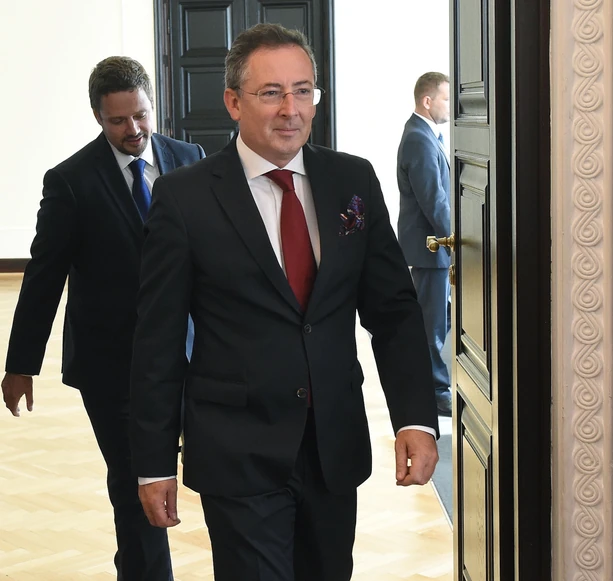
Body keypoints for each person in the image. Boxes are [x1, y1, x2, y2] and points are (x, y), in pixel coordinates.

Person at [129, 23, 440, 581]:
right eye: (271, 93)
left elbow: (393, 310)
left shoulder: (352, 180)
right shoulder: (184, 197)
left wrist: (415, 417)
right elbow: (159, 339)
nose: (290, 109)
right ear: (233, 102)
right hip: (237, 450)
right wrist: (154, 463)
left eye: (302, 91)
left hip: (333, 445)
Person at [1, 56, 204, 579]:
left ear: (153, 105)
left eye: (141, 115)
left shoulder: (191, 160)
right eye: (118, 120)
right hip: (113, 367)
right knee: (136, 488)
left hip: (193, 357)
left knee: (213, 473)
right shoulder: (71, 181)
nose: (133, 129)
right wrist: (20, 364)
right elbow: (44, 277)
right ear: (97, 116)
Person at [396, 72, 452, 416]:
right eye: (445, 98)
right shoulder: (419, 138)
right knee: (432, 325)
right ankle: (435, 391)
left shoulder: (426, 134)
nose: (450, 105)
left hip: (435, 249)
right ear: (427, 101)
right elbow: (434, 200)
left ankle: (434, 384)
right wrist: (457, 240)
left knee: (439, 320)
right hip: (431, 247)